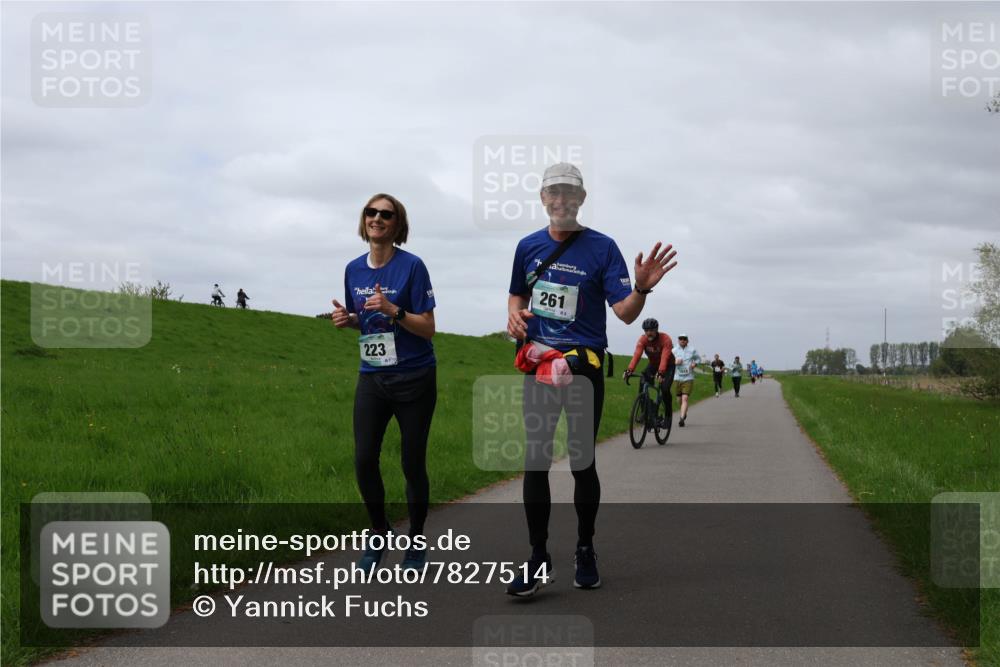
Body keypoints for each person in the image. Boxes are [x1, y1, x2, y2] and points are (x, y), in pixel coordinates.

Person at [506, 163, 677, 596]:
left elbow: (625, 313)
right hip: (541, 365)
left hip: (584, 367)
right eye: (553, 193)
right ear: (543, 199)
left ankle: (585, 548)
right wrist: (513, 315)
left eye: (569, 193)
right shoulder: (527, 246)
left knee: (582, 462)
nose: (561, 200)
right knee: (536, 461)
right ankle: (537, 556)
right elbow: (517, 293)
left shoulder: (602, 247)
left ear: (581, 199)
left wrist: (641, 289)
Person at [330, 193, 437, 573]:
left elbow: (428, 328)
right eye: (371, 212)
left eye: (386, 214)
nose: (377, 218)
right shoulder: (353, 270)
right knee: (363, 460)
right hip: (373, 376)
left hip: (415, 377)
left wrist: (396, 310)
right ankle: (379, 532)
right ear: (364, 220)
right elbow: (366, 319)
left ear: (397, 224)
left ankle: (416, 541)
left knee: (412, 462)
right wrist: (349, 321)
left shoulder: (412, 267)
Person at [623, 318, 674, 421]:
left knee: (665, 389)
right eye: (646, 330)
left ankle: (668, 415)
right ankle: (645, 412)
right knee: (643, 383)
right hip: (653, 364)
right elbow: (637, 354)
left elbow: (664, 357)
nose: (648, 333)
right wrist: (629, 370)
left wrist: (661, 372)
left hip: (668, 366)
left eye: (651, 330)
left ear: (656, 330)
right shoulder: (643, 340)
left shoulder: (665, 339)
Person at [672, 334, 701, 427]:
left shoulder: (692, 350)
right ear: (678, 340)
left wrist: (694, 364)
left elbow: (698, 359)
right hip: (677, 377)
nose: (682, 340)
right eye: (680, 339)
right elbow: (669, 361)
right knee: (679, 400)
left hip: (688, 377)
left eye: (684, 339)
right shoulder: (674, 350)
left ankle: (681, 419)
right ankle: (684, 412)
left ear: (687, 341)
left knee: (685, 398)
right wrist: (675, 362)